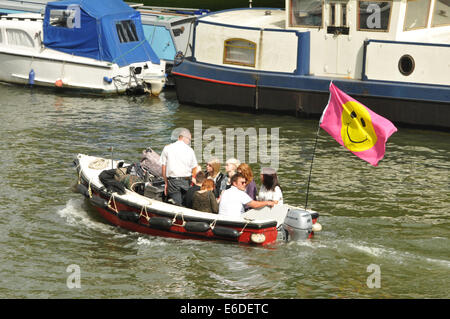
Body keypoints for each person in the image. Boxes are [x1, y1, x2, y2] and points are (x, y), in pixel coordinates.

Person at [160, 128, 198, 206]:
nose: (189, 142)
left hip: (173, 182)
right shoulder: (190, 150)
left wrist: (166, 182)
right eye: (189, 140)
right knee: (186, 204)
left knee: (177, 205)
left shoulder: (167, 148)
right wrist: (192, 178)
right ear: (185, 138)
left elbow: (163, 167)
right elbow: (195, 168)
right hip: (186, 181)